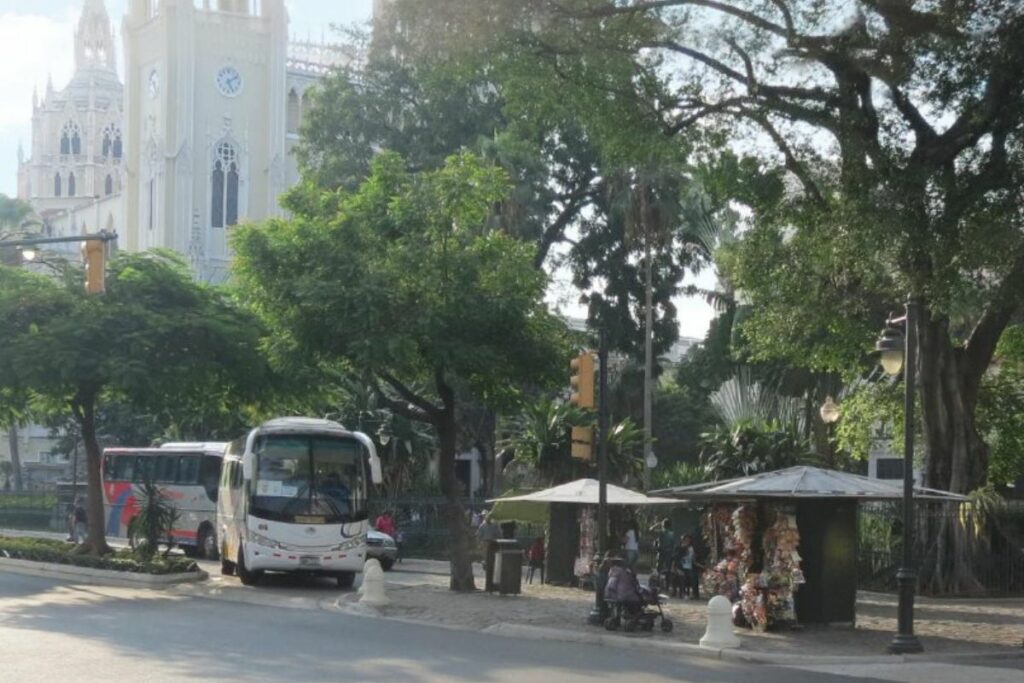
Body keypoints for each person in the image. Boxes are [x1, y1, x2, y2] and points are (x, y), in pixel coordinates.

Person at [673, 534, 699, 599]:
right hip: (681, 567)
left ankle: (695, 594)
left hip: (690, 567)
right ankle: (683, 593)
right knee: (683, 577)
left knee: (694, 577)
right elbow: (676, 558)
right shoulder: (679, 548)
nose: (687, 541)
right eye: (685, 540)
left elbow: (694, 560)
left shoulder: (692, 548)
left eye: (688, 540)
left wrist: (697, 563)